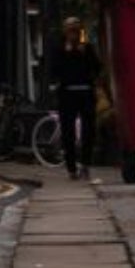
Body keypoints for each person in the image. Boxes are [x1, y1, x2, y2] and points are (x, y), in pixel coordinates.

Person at [47, 11, 102, 179]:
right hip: (67, 94)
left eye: (76, 31)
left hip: (85, 92)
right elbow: (54, 70)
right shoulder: (60, 47)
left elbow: (97, 68)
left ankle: (85, 164)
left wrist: (84, 52)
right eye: (70, 30)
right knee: (68, 132)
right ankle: (71, 168)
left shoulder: (87, 47)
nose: (73, 34)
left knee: (89, 131)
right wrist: (66, 53)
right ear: (65, 31)